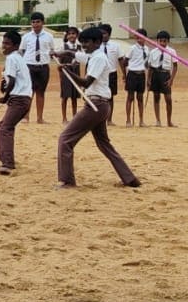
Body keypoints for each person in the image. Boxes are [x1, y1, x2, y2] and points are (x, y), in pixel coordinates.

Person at [56, 27, 140, 190]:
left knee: (65, 139)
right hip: (100, 105)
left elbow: (86, 82)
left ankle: (67, 181)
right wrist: (62, 53)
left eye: (87, 42)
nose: (84, 45)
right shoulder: (94, 55)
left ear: (97, 42)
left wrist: (67, 71)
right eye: (82, 42)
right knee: (104, 144)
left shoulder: (99, 58)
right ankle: (129, 178)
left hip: (95, 106)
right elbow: (78, 55)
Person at [0, 30, 34, 175]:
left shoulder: (11, 58)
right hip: (23, 98)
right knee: (2, 126)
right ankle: (5, 159)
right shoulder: (18, 58)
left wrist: (5, 97)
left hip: (18, 99)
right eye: (3, 43)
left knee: (5, 128)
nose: (4, 46)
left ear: (16, 46)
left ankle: (8, 164)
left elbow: (12, 81)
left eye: (7, 44)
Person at [20, 12, 56, 124]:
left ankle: (40, 118)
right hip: (29, 66)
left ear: (43, 22)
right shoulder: (26, 37)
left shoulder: (49, 36)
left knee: (40, 92)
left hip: (43, 67)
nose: (35, 24)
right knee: (29, 92)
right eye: (33, 22)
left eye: (38, 22)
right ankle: (26, 117)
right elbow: (23, 51)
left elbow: (52, 50)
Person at [147, 30, 179, 127]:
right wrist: (148, 79)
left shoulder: (172, 51)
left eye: (164, 41)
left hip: (165, 75)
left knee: (168, 98)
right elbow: (150, 67)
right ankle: (158, 120)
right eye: (160, 41)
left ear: (168, 41)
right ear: (157, 41)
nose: (162, 43)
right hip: (155, 74)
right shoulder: (153, 52)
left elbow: (175, 66)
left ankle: (169, 121)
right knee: (156, 97)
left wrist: (171, 79)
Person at [97, 24, 124, 125]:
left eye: (104, 33)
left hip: (111, 74)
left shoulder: (116, 46)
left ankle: (109, 119)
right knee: (99, 97)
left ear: (109, 34)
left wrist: (124, 73)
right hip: (99, 74)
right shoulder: (96, 46)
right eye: (101, 33)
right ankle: (99, 120)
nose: (103, 35)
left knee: (110, 97)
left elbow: (120, 60)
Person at [123, 33, 149, 127]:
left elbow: (146, 62)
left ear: (145, 38)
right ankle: (128, 120)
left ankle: (141, 120)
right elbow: (125, 61)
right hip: (132, 74)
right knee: (130, 97)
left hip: (141, 74)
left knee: (140, 97)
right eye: (137, 38)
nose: (139, 40)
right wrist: (126, 73)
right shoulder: (132, 48)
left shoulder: (146, 49)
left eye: (141, 38)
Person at [57, 26, 82, 122]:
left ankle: (74, 117)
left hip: (75, 72)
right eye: (69, 34)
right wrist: (61, 71)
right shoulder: (63, 47)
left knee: (74, 96)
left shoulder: (79, 47)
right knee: (65, 96)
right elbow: (59, 61)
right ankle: (64, 118)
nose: (71, 36)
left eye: (73, 33)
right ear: (67, 36)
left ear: (77, 35)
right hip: (66, 72)